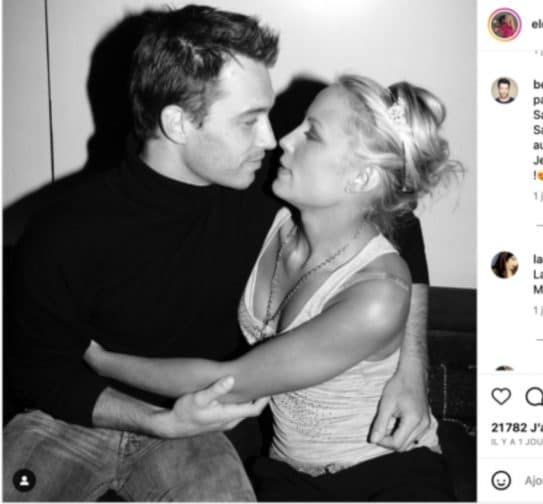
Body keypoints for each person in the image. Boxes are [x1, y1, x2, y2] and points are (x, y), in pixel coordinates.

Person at [4, 6, 432, 501]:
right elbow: (36, 367)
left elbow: (396, 217)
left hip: (204, 433)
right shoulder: (65, 227)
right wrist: (153, 419)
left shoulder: (272, 182)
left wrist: (411, 369)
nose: (272, 138)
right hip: (74, 420)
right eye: (249, 120)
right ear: (179, 123)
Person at [84, 74, 461, 501]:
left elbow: (227, 383)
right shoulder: (269, 211)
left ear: (361, 178)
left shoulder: (377, 292)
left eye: (312, 134)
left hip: (387, 475)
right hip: (286, 477)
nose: (283, 139)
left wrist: (98, 359)